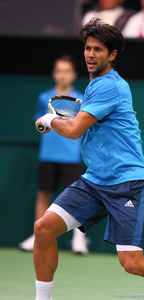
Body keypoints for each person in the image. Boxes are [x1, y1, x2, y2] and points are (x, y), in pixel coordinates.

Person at [34, 18, 144, 300]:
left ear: (112, 55)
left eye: (98, 49)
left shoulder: (109, 86)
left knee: (132, 263)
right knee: (44, 229)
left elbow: (73, 130)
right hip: (95, 180)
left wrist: (48, 119)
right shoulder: (95, 86)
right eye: (87, 48)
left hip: (126, 182)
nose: (90, 54)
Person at [19, 55, 89, 255]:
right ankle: (37, 235)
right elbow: (40, 124)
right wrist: (44, 126)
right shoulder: (44, 97)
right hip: (48, 155)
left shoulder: (81, 99)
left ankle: (79, 238)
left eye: (67, 71)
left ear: (74, 75)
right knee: (43, 195)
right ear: (54, 74)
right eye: (59, 71)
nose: (63, 75)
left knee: (76, 199)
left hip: (71, 156)